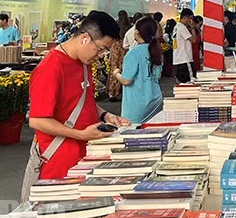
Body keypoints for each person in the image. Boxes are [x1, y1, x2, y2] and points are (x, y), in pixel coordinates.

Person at [28, 11, 131, 179]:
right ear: (85, 38)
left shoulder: (83, 63)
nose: (100, 56)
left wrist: (105, 115)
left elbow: (83, 100)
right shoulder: (50, 68)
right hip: (58, 164)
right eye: (101, 50)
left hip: (85, 158)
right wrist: (81, 134)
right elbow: (38, 120)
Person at [112, 17, 163, 123]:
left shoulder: (133, 53)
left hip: (136, 105)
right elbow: (158, 76)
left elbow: (126, 80)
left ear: (138, 32)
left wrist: (116, 73)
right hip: (155, 101)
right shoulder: (156, 51)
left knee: (134, 135)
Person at [107, 10, 132, 101]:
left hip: (115, 47)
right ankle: (120, 92)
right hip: (124, 48)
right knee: (122, 69)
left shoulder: (116, 25)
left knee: (114, 68)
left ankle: (112, 92)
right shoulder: (129, 27)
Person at [172, 9, 195, 83]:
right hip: (185, 59)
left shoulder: (176, 27)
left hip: (177, 59)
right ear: (185, 18)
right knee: (189, 83)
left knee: (181, 84)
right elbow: (193, 40)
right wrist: (193, 27)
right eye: (190, 18)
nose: (191, 21)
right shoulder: (182, 27)